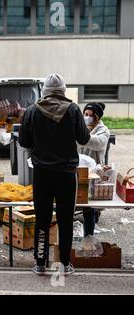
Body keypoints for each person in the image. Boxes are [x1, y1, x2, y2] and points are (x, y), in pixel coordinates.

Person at [19, 74, 90, 276]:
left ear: (45, 90)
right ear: (63, 90)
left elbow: (24, 142)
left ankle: (40, 263)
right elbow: (84, 138)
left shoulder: (32, 110)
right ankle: (64, 264)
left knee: (42, 218)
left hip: (41, 173)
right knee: (65, 219)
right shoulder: (74, 110)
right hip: (67, 174)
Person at [79, 102, 110, 236]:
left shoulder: (103, 131)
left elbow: (98, 143)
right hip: (79, 170)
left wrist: (80, 136)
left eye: (90, 115)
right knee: (79, 200)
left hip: (94, 173)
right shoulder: (81, 128)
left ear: (97, 117)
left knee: (90, 207)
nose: (87, 117)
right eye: (85, 114)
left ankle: (88, 237)